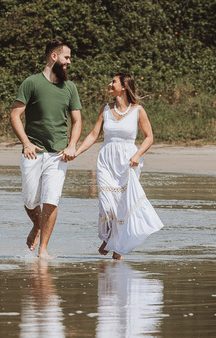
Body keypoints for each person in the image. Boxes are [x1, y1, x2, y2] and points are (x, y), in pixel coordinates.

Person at [69, 73, 163, 259]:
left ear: (124, 87)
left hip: (128, 162)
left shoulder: (138, 110)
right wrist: (77, 152)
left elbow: (149, 137)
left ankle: (117, 246)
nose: (110, 84)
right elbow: (93, 135)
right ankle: (111, 237)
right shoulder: (106, 109)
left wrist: (137, 155)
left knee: (123, 206)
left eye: (114, 82)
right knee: (106, 205)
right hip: (106, 161)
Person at [9, 39, 83, 258]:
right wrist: (26, 143)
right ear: (54, 56)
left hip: (58, 154)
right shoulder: (31, 83)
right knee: (30, 200)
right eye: (66, 57)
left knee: (51, 200)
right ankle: (37, 225)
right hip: (33, 152)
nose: (69, 62)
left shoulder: (70, 87)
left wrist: (72, 145)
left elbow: (77, 121)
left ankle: (43, 250)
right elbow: (15, 115)